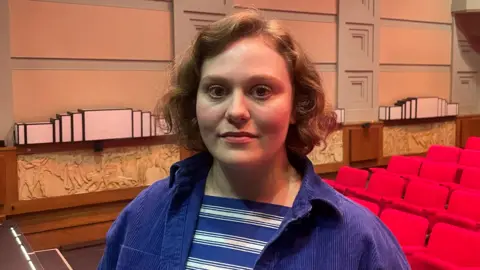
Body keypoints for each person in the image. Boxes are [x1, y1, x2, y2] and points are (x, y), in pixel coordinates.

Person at [98, 10, 410, 270]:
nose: (236, 111)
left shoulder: (357, 239)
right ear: (194, 103)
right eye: (217, 91)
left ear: (296, 107)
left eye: (261, 90)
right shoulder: (145, 213)